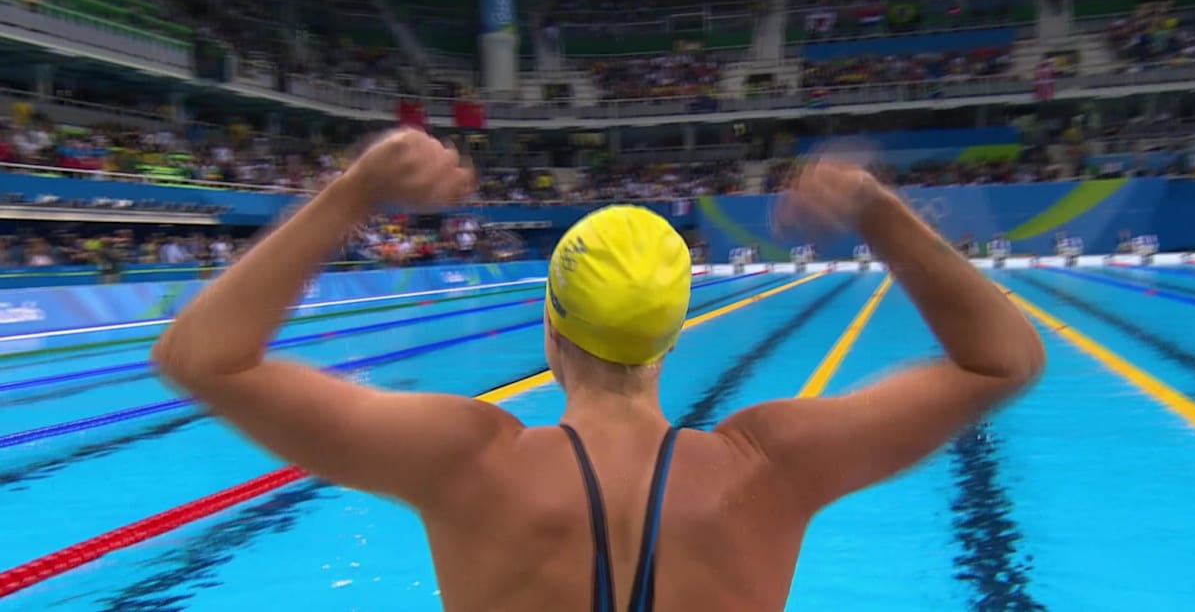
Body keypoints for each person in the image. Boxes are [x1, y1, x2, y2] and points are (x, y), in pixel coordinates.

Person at [153, 130, 1045, 612]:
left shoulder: (467, 461)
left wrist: (356, 189)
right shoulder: (772, 465)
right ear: (673, 336)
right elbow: (1003, 359)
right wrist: (876, 214)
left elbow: (199, 356)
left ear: (551, 327)